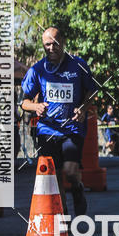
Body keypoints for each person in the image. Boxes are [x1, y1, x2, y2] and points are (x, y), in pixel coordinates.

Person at [21, 27, 96, 216]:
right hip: (47, 129)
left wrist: (84, 108)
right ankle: (63, 215)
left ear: (62, 42)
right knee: (54, 177)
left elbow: (93, 90)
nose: (51, 47)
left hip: (72, 127)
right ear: (43, 46)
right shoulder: (37, 70)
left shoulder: (78, 65)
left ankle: (78, 189)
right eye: (47, 44)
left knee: (70, 171)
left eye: (54, 42)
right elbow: (24, 102)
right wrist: (35, 107)